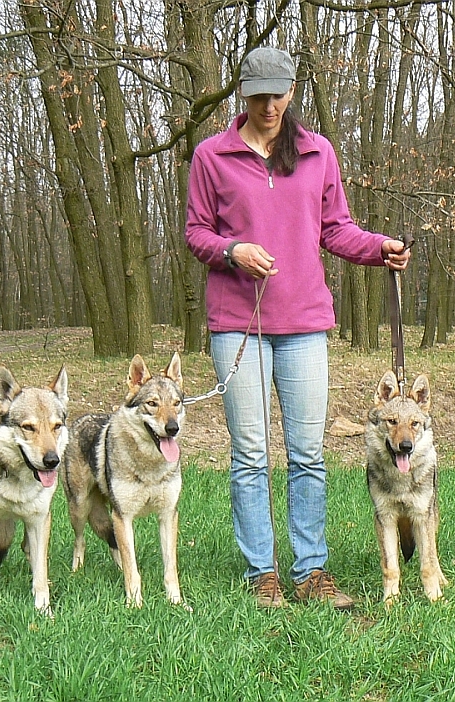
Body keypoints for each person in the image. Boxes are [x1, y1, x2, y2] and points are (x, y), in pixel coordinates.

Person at [184, 47, 411, 610]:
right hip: (238, 323)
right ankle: (262, 572)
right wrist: (232, 250)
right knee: (251, 453)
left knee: (308, 452)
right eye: (257, 95)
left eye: (277, 94)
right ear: (244, 94)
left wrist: (378, 247)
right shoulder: (212, 156)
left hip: (305, 322)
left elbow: (337, 229)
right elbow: (196, 233)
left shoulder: (317, 153)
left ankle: (311, 570)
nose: (268, 106)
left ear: (290, 91)